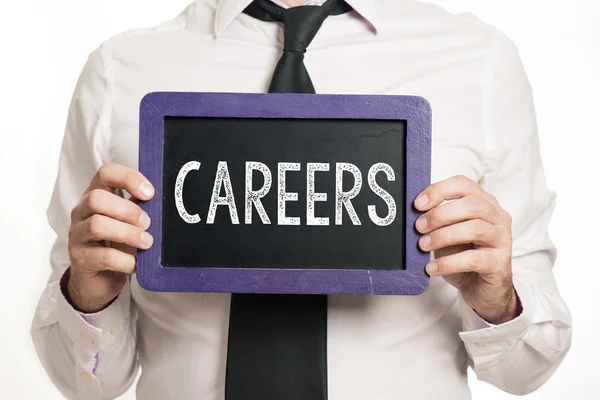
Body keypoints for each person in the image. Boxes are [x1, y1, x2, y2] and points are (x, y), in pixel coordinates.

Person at [31, 0, 572, 399]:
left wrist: (499, 302)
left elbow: (527, 371)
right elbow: (85, 382)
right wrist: (89, 296)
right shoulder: (120, 70)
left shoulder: (477, 61)